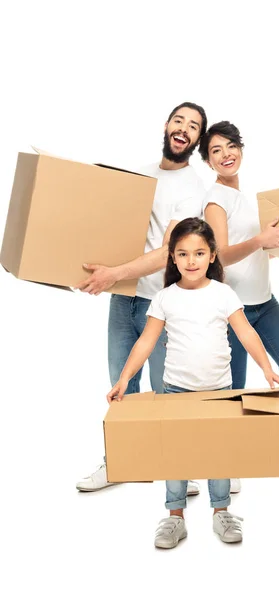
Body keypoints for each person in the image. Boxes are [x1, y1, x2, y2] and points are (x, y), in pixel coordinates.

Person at [107, 217, 279, 548]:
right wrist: (124, 379)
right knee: (176, 456)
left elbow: (246, 332)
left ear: (212, 256)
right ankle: (175, 517)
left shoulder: (223, 294)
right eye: (183, 254)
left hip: (219, 390)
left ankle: (221, 511)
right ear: (172, 258)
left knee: (218, 455)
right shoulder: (165, 298)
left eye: (200, 253)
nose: (192, 261)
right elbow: (146, 342)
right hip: (176, 391)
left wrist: (267, 368)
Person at [75, 102, 207, 495]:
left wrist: (113, 273)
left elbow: (169, 249)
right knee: (121, 384)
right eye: (179, 120)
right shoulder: (139, 177)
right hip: (124, 298)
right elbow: (111, 230)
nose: (184, 128)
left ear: (197, 140)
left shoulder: (191, 189)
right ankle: (120, 462)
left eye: (194, 126)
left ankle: (179, 470)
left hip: (163, 305)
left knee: (167, 391)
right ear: (167, 126)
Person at [199, 121, 279, 495]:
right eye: (216, 150)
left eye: (231, 146)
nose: (226, 155)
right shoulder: (214, 200)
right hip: (233, 312)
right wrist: (260, 240)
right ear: (208, 160)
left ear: (242, 149)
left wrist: (273, 243)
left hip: (265, 305)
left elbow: (256, 246)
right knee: (233, 390)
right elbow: (219, 255)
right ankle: (229, 463)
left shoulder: (251, 197)